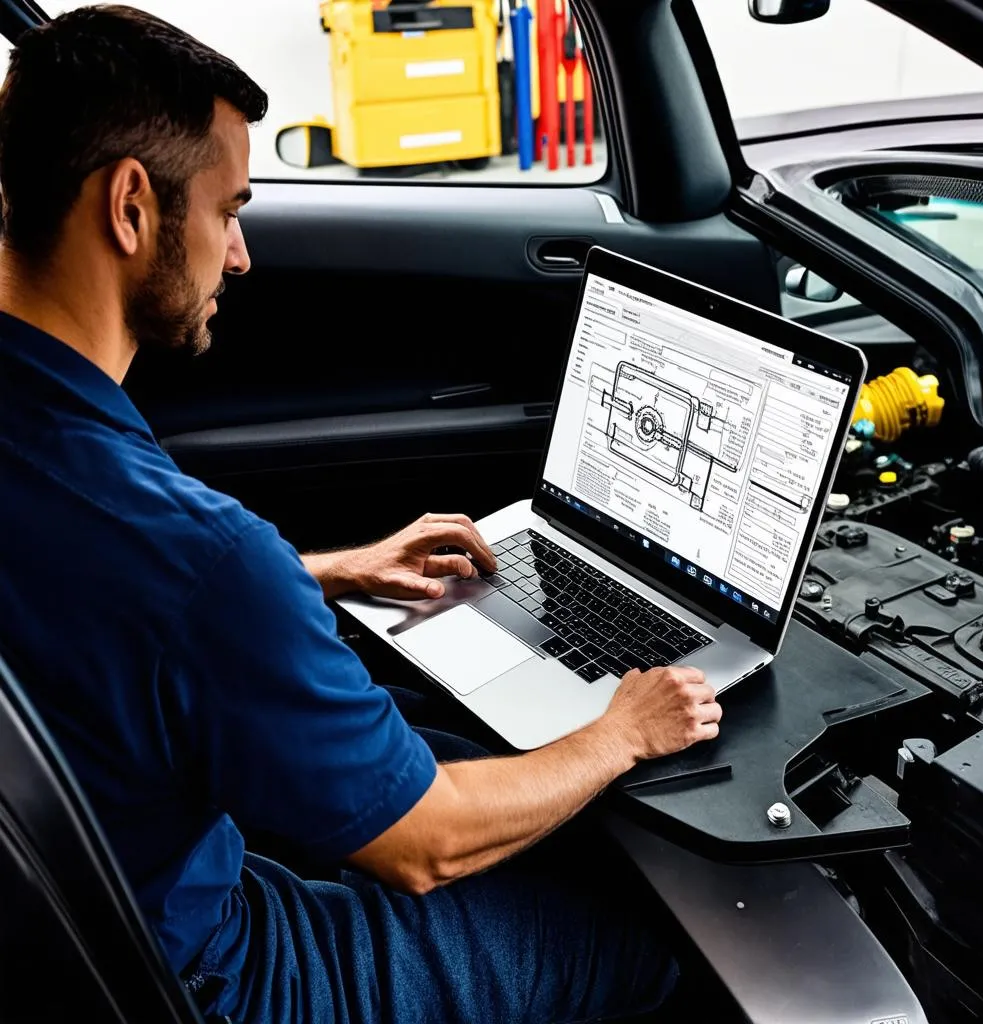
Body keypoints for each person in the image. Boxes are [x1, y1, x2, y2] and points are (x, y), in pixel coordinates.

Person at [0, 6, 723, 1023]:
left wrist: (327, 570)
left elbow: (99, 594)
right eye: (228, 210)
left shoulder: (53, 447)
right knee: (660, 935)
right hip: (219, 982)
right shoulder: (200, 557)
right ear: (129, 207)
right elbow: (427, 843)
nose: (240, 256)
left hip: (82, 918)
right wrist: (623, 732)